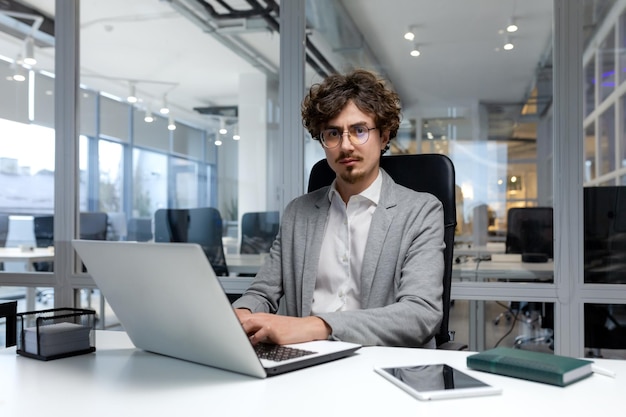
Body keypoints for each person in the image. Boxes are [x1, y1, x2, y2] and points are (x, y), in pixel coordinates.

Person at [233, 69, 444, 348]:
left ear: (383, 136)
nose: (346, 145)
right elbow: (263, 291)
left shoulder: (421, 211)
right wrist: (242, 314)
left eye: (359, 130)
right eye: (333, 133)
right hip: (305, 364)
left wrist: (317, 325)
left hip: (382, 367)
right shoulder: (299, 212)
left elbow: (420, 314)